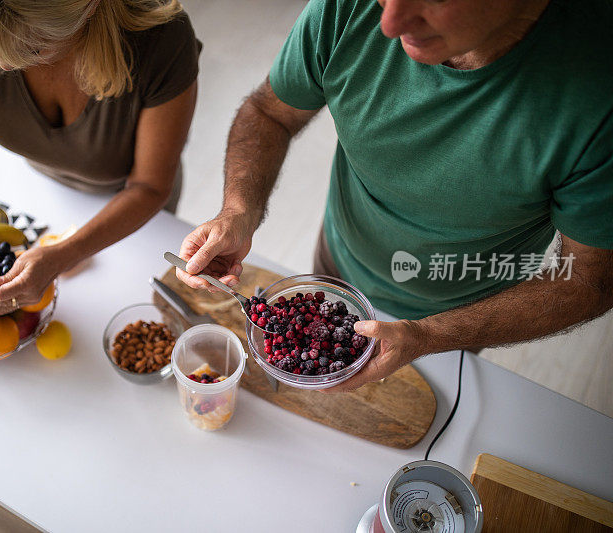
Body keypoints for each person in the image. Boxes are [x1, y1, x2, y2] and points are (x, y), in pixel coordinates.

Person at [175, 0, 613, 390]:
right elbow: (269, 111)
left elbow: (591, 280)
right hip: (338, 260)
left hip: (463, 309)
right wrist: (238, 211)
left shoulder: (596, 98)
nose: (388, 23)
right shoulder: (347, 8)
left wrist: (430, 337)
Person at [0, 0, 200, 321]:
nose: (2, 68)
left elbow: (149, 186)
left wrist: (64, 254)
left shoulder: (163, 36)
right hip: (42, 187)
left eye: (32, 51)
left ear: (88, 9)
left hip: (133, 207)